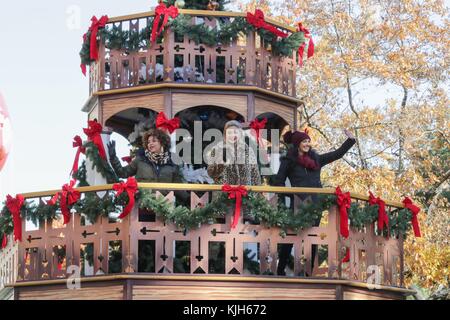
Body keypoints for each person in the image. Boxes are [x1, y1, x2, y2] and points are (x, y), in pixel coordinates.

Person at [273, 129, 356, 276]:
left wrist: (350, 140)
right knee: (291, 236)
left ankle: (308, 273)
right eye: (304, 141)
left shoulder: (316, 160)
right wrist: (293, 194)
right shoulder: (288, 161)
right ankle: (280, 270)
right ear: (297, 144)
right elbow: (277, 182)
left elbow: (336, 154)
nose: (307, 144)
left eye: (308, 141)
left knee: (313, 237)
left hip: (315, 205)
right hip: (297, 204)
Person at [107, 128, 189, 204]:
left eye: (154, 141)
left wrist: (188, 199)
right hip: (142, 205)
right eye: (149, 142)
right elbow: (122, 173)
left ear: (162, 142)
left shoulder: (172, 163)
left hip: (165, 206)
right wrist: (113, 157)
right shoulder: (140, 160)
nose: (150, 144)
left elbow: (177, 186)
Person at [207, 120, 261, 186]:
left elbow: (255, 174)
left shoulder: (248, 150)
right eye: (229, 132)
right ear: (225, 134)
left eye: (235, 132)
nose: (232, 135)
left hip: (245, 193)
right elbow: (211, 173)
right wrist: (220, 165)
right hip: (223, 193)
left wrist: (258, 191)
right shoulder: (217, 149)